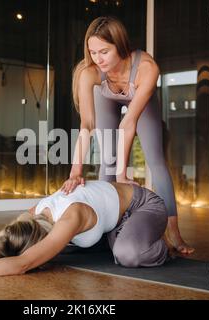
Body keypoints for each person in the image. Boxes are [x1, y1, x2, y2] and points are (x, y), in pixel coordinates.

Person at [61, 16, 194, 254]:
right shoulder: (89, 72)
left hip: (140, 102)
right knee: (107, 161)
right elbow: (87, 125)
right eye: (92, 52)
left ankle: (173, 232)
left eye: (104, 51)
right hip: (107, 96)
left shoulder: (147, 69)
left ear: (120, 46)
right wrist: (75, 172)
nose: (97, 59)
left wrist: (123, 175)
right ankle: (103, 231)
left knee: (156, 160)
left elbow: (129, 122)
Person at [0, 181, 172, 282]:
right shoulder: (32, 215)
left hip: (141, 206)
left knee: (128, 255)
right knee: (106, 246)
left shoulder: (70, 217)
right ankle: (121, 236)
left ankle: (159, 244)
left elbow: (22, 264)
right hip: (111, 220)